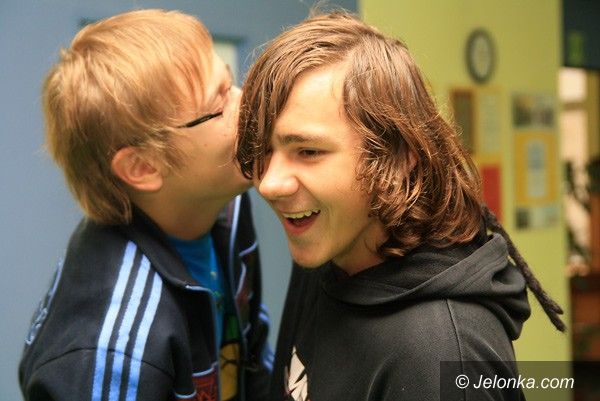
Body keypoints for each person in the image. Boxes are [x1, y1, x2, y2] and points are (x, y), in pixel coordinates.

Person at [236, 11, 565, 401]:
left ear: (398, 157)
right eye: (265, 150)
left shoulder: (442, 354)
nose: (270, 184)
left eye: (308, 151)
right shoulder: (329, 251)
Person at [19, 9, 271, 401]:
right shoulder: (112, 352)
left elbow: (253, 356)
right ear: (143, 166)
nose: (248, 104)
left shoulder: (226, 207)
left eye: (231, 82)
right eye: (219, 104)